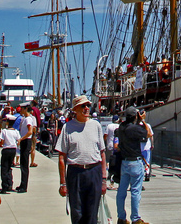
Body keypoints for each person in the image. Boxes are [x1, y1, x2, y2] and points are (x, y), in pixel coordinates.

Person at [55, 95, 106, 224]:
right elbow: (62, 157)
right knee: (77, 214)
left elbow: (102, 153)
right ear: (75, 110)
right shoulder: (68, 127)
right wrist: (63, 183)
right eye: (83, 106)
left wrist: (104, 179)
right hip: (75, 173)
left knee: (92, 214)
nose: (86, 108)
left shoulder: (96, 126)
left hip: (94, 172)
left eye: (88, 105)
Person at [115, 107, 150, 224]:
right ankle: (135, 218)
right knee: (135, 191)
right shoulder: (135, 128)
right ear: (135, 116)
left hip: (124, 162)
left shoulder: (121, 127)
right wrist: (142, 120)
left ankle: (121, 217)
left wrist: (137, 120)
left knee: (121, 191)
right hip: (135, 162)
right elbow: (148, 133)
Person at [15, 104, 35, 194]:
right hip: (24, 141)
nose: (21, 110)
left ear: (25, 109)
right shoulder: (24, 118)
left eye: (22, 109)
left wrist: (21, 139)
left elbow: (30, 131)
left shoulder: (28, 119)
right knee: (23, 163)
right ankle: (22, 184)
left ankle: (24, 186)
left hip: (26, 141)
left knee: (24, 164)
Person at [0, 118, 19, 193]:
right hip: (13, 149)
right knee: (9, 167)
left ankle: (4, 186)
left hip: (6, 149)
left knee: (4, 168)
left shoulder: (4, 131)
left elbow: (2, 141)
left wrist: (0, 145)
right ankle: (9, 183)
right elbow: (18, 141)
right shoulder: (16, 132)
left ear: (7, 123)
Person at [138, 111, 153, 182]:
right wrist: (152, 144)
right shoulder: (147, 125)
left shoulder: (137, 125)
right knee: (147, 161)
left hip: (139, 146)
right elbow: (151, 136)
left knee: (140, 161)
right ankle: (147, 173)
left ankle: (140, 173)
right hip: (147, 147)